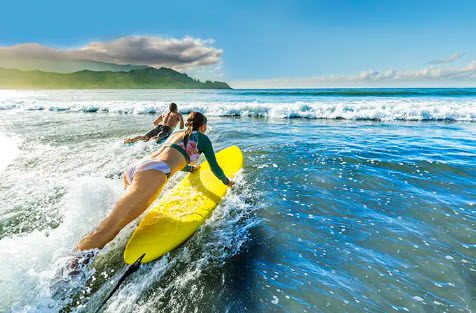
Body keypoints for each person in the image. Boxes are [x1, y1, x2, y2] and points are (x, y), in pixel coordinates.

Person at [76, 112, 234, 251]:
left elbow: (174, 157)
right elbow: (215, 168)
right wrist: (227, 182)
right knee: (109, 229)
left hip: (136, 168)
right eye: (205, 127)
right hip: (154, 173)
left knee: (115, 223)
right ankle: (71, 266)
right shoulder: (203, 139)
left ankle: (81, 251)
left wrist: (190, 169)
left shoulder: (177, 134)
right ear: (203, 126)